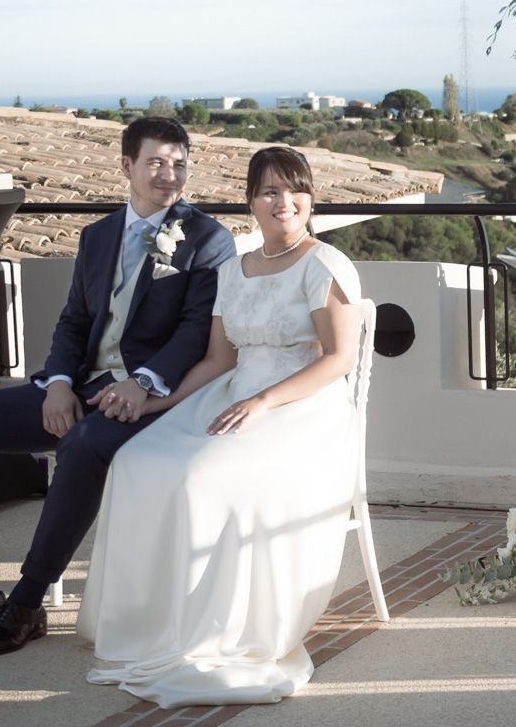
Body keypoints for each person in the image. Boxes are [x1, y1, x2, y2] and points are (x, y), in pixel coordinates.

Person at [0, 117, 236, 658]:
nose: (170, 175)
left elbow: (197, 332)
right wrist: (56, 384)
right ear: (127, 166)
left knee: (81, 444)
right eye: (156, 162)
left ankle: (27, 603)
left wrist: (142, 383)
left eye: (179, 164)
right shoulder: (97, 235)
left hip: (154, 398)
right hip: (81, 385)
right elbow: (74, 321)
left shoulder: (209, 240)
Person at [76, 146, 363, 708]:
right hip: (233, 394)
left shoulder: (324, 265)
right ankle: (147, 621)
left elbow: (338, 359)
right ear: (251, 202)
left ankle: (208, 631)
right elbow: (217, 361)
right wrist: (158, 403)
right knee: (138, 461)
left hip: (303, 408)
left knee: (199, 479)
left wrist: (262, 404)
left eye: (295, 189)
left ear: (310, 198)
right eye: (270, 191)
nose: (285, 202)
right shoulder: (234, 269)